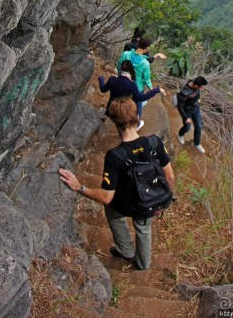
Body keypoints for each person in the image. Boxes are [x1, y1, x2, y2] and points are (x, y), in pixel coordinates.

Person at [58, 97, 175, 270]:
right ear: (137, 115)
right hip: (149, 202)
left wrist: (79, 187)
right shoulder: (154, 142)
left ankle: (126, 250)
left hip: (124, 203)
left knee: (111, 210)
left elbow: (106, 197)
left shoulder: (115, 156)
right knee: (144, 229)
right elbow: (170, 176)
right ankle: (143, 264)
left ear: (115, 122)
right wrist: (164, 201)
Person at [98, 60, 166, 131]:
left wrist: (101, 79)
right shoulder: (132, 85)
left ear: (121, 69)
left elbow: (103, 89)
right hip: (123, 112)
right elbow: (142, 97)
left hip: (111, 110)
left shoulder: (112, 80)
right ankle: (136, 125)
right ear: (131, 71)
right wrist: (157, 90)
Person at [117, 37, 165, 117]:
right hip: (137, 87)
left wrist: (120, 77)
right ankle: (137, 122)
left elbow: (119, 66)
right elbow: (146, 79)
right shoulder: (145, 63)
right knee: (137, 104)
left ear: (138, 44)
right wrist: (151, 89)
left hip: (124, 83)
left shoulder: (125, 54)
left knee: (124, 100)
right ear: (147, 48)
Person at [176, 76, 208, 154]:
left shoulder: (193, 83)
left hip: (195, 109)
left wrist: (198, 98)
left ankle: (197, 143)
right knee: (187, 127)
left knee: (199, 126)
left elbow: (198, 92)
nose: (202, 88)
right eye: (202, 86)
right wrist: (185, 117)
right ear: (196, 86)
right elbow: (180, 106)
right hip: (187, 111)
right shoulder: (184, 93)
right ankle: (180, 134)